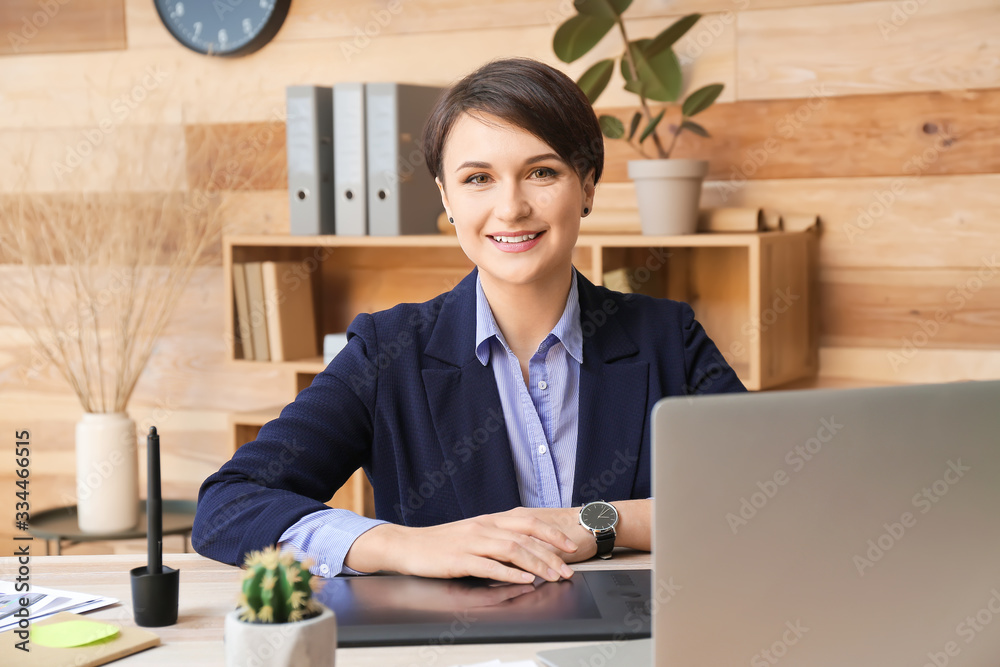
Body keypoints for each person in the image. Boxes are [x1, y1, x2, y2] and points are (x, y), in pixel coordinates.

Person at [192, 57, 745, 585]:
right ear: (446, 197)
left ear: (588, 186)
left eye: (542, 172)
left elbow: (767, 490)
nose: (510, 208)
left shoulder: (668, 337)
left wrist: (597, 524)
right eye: (478, 178)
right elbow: (229, 504)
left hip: (636, 642)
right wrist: (407, 545)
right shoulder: (387, 352)